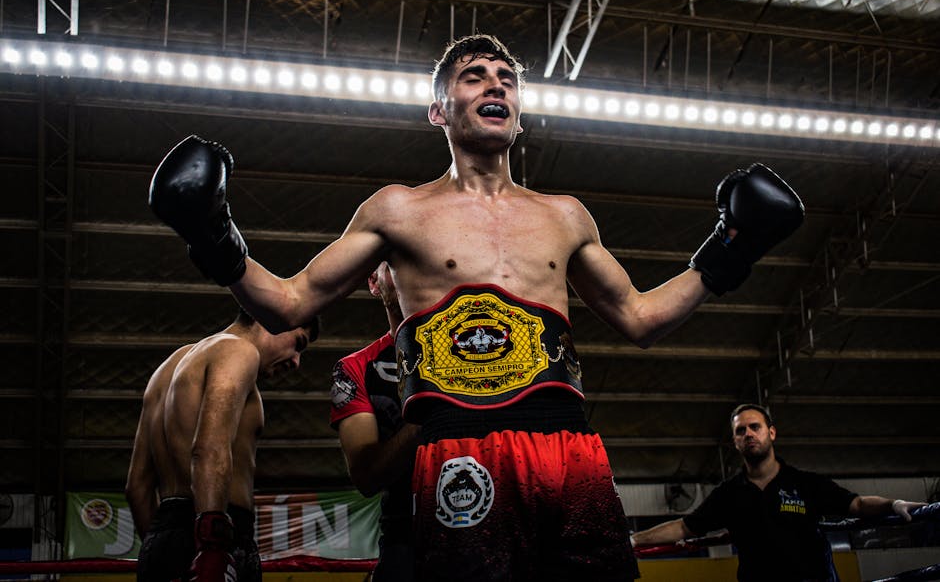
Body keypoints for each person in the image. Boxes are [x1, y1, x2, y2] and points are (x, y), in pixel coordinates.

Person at [148, 34, 804, 580]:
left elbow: (641, 317)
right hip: (460, 451)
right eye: (472, 76)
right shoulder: (397, 209)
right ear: (439, 110)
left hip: (569, 446)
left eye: (506, 78)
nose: (495, 85)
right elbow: (288, 301)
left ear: (519, 110)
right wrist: (214, 236)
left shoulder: (566, 216)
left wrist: (728, 252)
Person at [630, 404, 926, 582]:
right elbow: (684, 526)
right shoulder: (729, 494)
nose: (748, 434)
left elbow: (857, 503)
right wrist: (632, 539)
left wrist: (894, 503)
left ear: (771, 432)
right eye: (740, 431)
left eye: (754, 427)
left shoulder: (806, 483)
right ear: (734, 441)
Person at [125, 309, 317, 582]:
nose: (297, 361)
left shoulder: (166, 369)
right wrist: (211, 548)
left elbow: (137, 488)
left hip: (162, 540)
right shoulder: (239, 350)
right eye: (298, 343)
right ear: (270, 320)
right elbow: (208, 448)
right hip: (216, 531)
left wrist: (168, 551)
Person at [330, 261, 420, 582]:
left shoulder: (477, 352)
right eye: (395, 264)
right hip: (405, 539)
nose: (411, 273)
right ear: (373, 282)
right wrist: (432, 409)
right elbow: (366, 476)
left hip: (487, 527)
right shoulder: (355, 368)